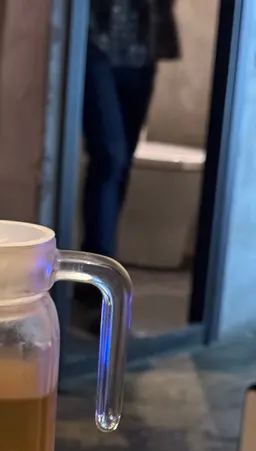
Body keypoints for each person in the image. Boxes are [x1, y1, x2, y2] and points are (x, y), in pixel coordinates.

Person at [76, 0, 180, 322]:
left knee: (119, 166)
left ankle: (98, 270)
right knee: (110, 157)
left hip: (142, 47)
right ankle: (99, 283)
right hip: (95, 41)